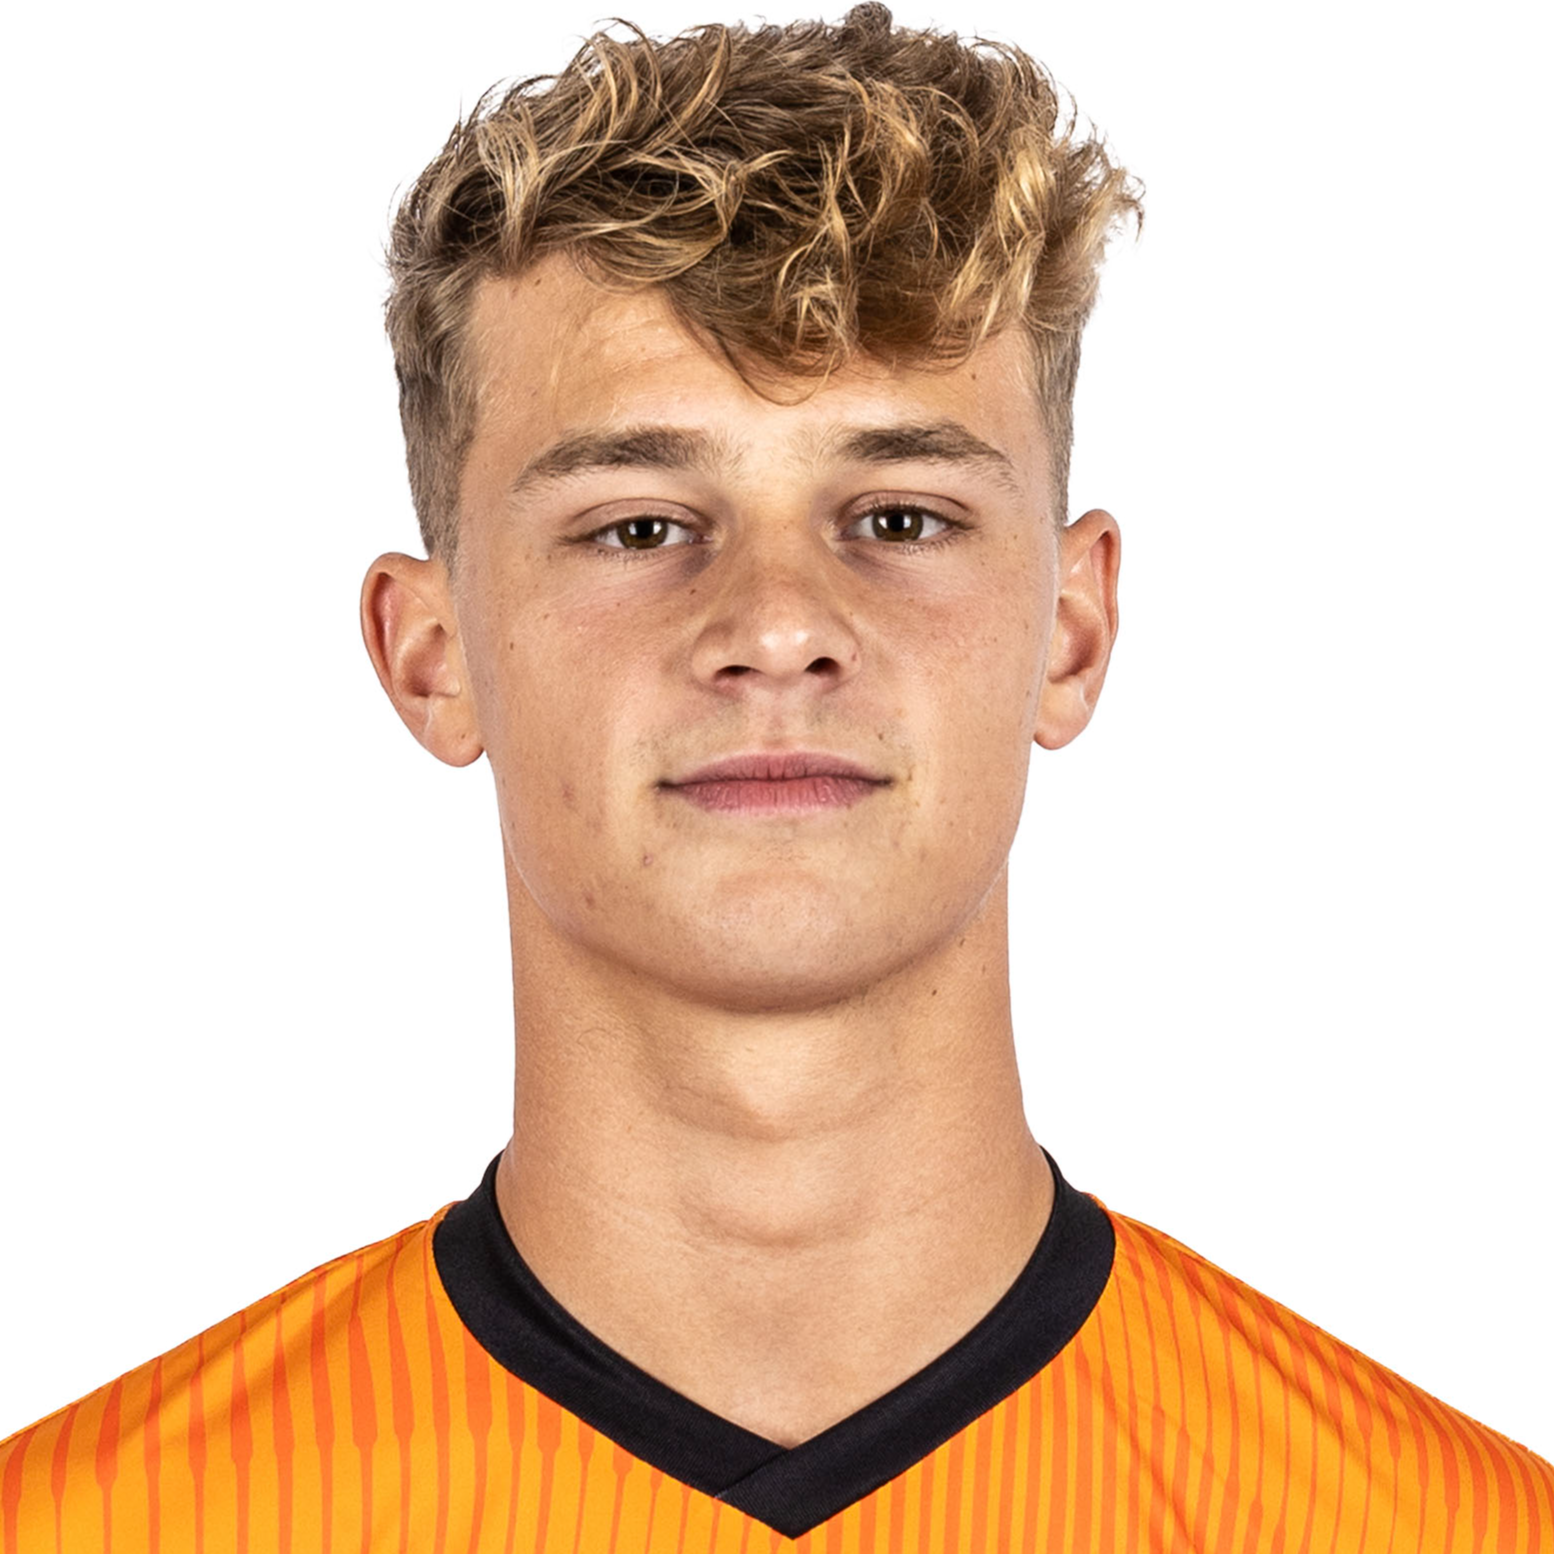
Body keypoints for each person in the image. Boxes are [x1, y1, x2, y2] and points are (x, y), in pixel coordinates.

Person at [3, 6, 1549, 1550]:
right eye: (637, 525)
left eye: (899, 518)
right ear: (431, 653)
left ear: (1071, 631)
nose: (777, 626)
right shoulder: (91, 1524)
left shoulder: (1446, 1527)